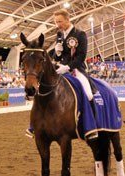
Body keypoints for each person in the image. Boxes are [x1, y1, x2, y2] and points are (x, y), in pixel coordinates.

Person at [26, 8, 98, 140]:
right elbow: (56, 57)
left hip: (76, 69)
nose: (58, 24)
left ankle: (91, 125)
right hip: (59, 68)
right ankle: (33, 125)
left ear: (67, 19)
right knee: (43, 87)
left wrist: (68, 67)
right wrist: (57, 53)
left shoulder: (80, 34)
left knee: (87, 92)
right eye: (56, 22)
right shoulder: (59, 35)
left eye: (60, 21)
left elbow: (81, 56)